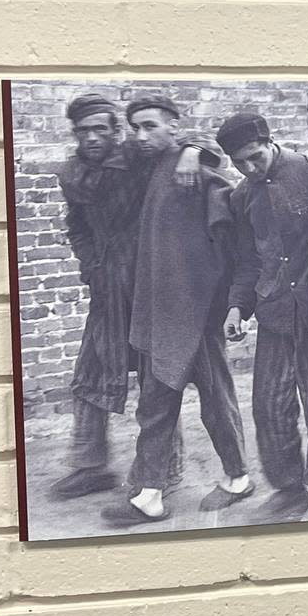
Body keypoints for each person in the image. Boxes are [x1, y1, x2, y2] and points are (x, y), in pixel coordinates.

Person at [102, 94, 252, 525]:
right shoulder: (148, 167)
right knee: (156, 403)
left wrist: (221, 305)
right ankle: (150, 492)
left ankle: (238, 478)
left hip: (196, 314)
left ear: (173, 125)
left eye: (151, 126)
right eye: (136, 128)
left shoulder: (198, 174)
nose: (142, 135)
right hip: (159, 312)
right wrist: (190, 148)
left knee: (215, 402)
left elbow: (230, 239)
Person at [220, 112, 308, 520]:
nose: (249, 168)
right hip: (276, 314)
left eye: (254, 157)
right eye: (239, 162)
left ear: (270, 141)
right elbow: (247, 262)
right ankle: (288, 488)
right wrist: (237, 307)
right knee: (269, 407)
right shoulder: (243, 197)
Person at [50, 94, 148, 498]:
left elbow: (192, 148)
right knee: (88, 378)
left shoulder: (137, 158)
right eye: (84, 131)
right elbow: (77, 226)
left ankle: (159, 471)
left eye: (100, 129)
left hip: (147, 286)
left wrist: (195, 150)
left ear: (115, 131)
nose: (92, 137)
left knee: (157, 380)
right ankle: (91, 466)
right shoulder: (73, 174)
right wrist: (91, 264)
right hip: (107, 290)